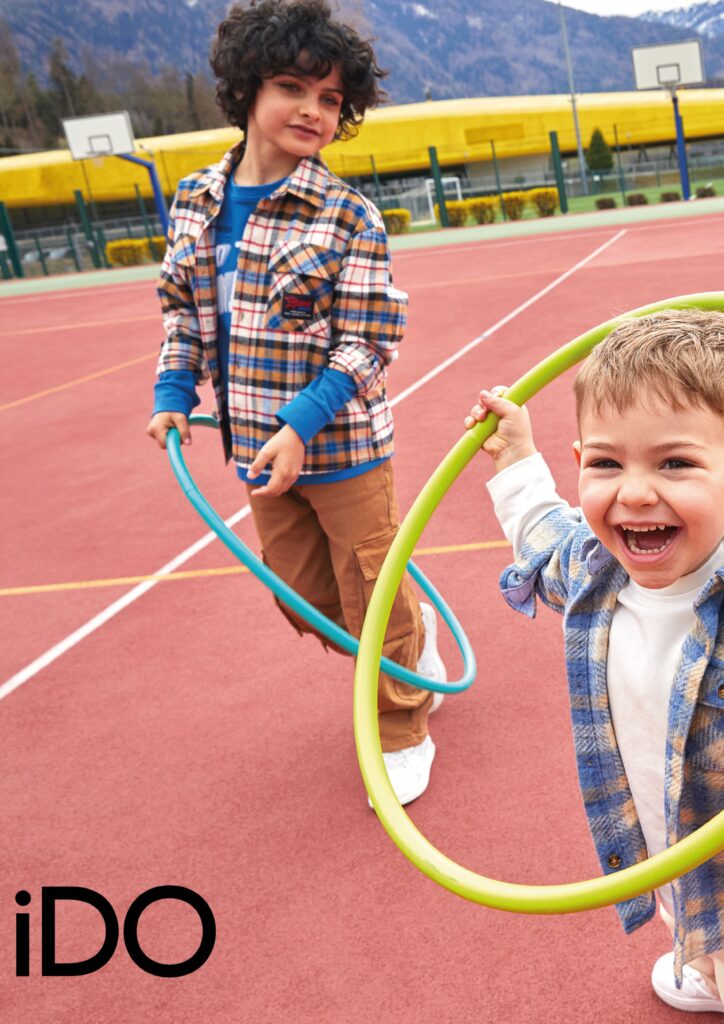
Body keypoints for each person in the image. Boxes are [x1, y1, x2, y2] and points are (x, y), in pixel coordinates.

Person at [146, 0, 446, 806]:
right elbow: (182, 314)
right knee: (307, 603)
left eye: (331, 98)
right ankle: (412, 644)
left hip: (342, 447)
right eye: (293, 87)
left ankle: (401, 726)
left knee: (371, 590)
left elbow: (370, 339)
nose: (314, 110)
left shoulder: (348, 215)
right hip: (253, 450)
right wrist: (173, 390)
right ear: (247, 88)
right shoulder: (195, 201)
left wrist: (302, 423)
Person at [465, 308, 723, 1012]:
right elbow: (544, 536)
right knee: (696, 926)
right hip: (670, 842)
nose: (633, 492)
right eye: (607, 463)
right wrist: (516, 456)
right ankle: (706, 965)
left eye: (675, 463)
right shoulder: (595, 571)